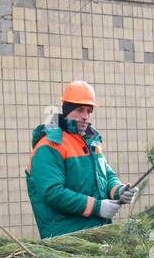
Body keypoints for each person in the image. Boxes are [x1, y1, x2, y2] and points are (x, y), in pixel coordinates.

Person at [26, 81, 137, 239]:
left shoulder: (91, 142)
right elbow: (52, 193)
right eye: (79, 110)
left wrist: (119, 191)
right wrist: (98, 207)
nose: (85, 116)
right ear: (67, 111)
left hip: (97, 234)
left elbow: (106, 176)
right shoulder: (49, 145)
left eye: (89, 111)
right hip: (65, 240)